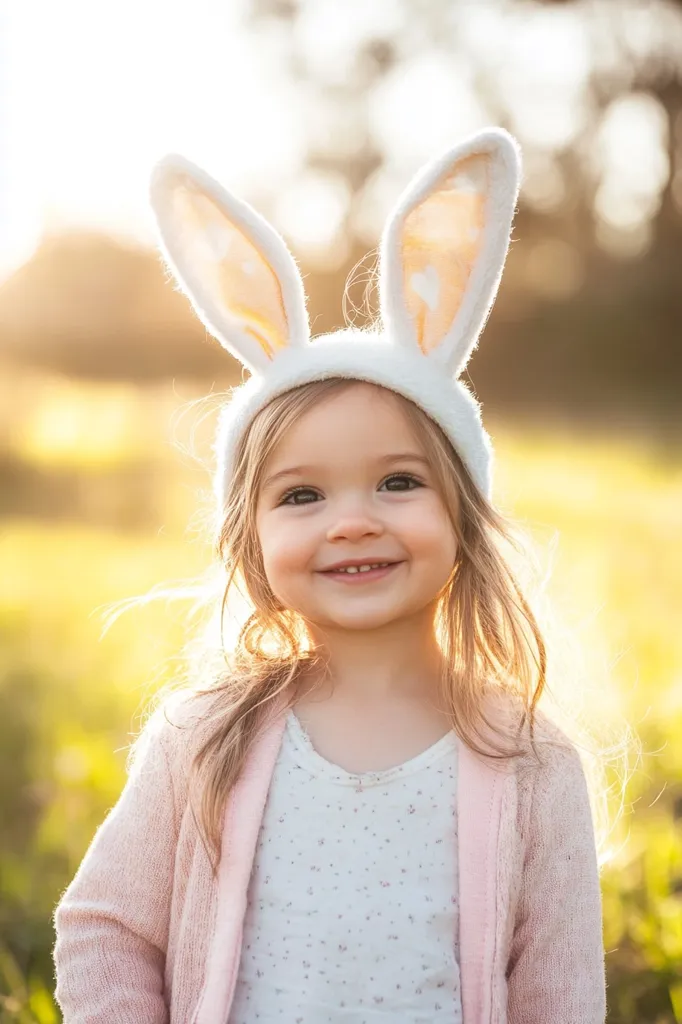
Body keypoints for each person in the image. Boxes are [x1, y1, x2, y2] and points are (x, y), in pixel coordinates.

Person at [52, 128, 608, 1023]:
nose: (352, 520)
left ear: (462, 514)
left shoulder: (534, 765)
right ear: (252, 543)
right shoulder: (203, 739)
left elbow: (560, 995)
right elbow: (105, 929)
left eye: (398, 482)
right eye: (302, 495)